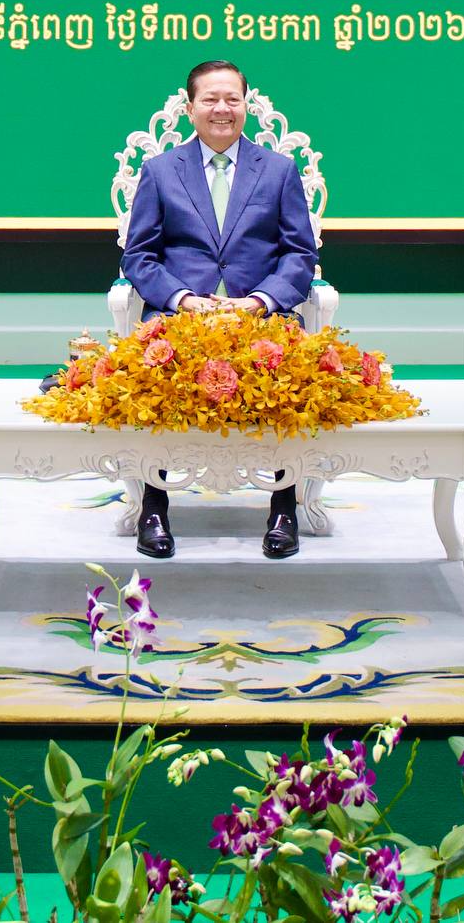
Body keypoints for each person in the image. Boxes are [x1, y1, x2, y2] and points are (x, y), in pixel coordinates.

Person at [119, 59, 319, 559]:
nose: (222, 109)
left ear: (247, 105)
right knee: (155, 370)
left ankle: (283, 508)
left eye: (232, 99)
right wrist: (183, 299)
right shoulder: (160, 171)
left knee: (289, 370)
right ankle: (154, 507)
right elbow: (138, 256)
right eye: (210, 99)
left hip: (261, 315)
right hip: (182, 317)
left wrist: (259, 301)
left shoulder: (279, 170)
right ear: (190, 108)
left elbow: (300, 254)